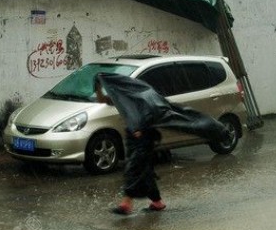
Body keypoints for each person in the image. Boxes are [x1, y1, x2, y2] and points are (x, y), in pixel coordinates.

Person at [94, 72, 230, 216]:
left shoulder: (143, 97)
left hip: (143, 137)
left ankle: (126, 203)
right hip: (135, 138)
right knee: (145, 170)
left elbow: (145, 116)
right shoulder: (124, 98)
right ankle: (157, 202)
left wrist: (137, 128)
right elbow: (103, 100)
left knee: (134, 168)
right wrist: (98, 86)